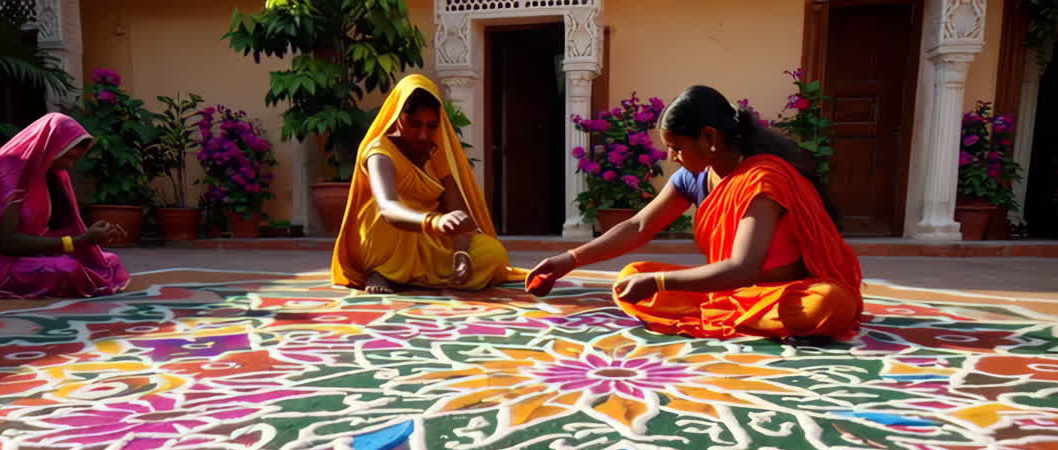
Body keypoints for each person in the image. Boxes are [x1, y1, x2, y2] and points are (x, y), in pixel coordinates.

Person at [527, 85, 863, 341]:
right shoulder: (692, 177)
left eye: (676, 147)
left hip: (783, 291)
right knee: (630, 275)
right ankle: (732, 311)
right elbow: (639, 225)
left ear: (709, 137)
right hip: (729, 289)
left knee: (828, 306)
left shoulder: (762, 180)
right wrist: (568, 260)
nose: (671, 157)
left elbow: (743, 269)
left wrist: (659, 281)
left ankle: (729, 311)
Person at [331, 74, 524, 294]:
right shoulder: (379, 152)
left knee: (494, 253)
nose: (423, 135)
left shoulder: (436, 151)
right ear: (397, 117)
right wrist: (433, 221)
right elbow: (387, 207)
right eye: (415, 124)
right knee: (380, 211)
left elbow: (457, 212)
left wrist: (461, 255)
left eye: (431, 126)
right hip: (385, 240)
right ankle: (386, 272)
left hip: (425, 241)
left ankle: (412, 277)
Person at [0, 112, 129, 299]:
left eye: (75, 160)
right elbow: (6, 243)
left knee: (109, 262)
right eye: (68, 158)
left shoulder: (54, 173)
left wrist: (94, 237)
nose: (70, 166)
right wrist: (77, 242)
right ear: (50, 148)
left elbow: (59, 227)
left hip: (29, 253)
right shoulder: (9, 175)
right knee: (70, 270)